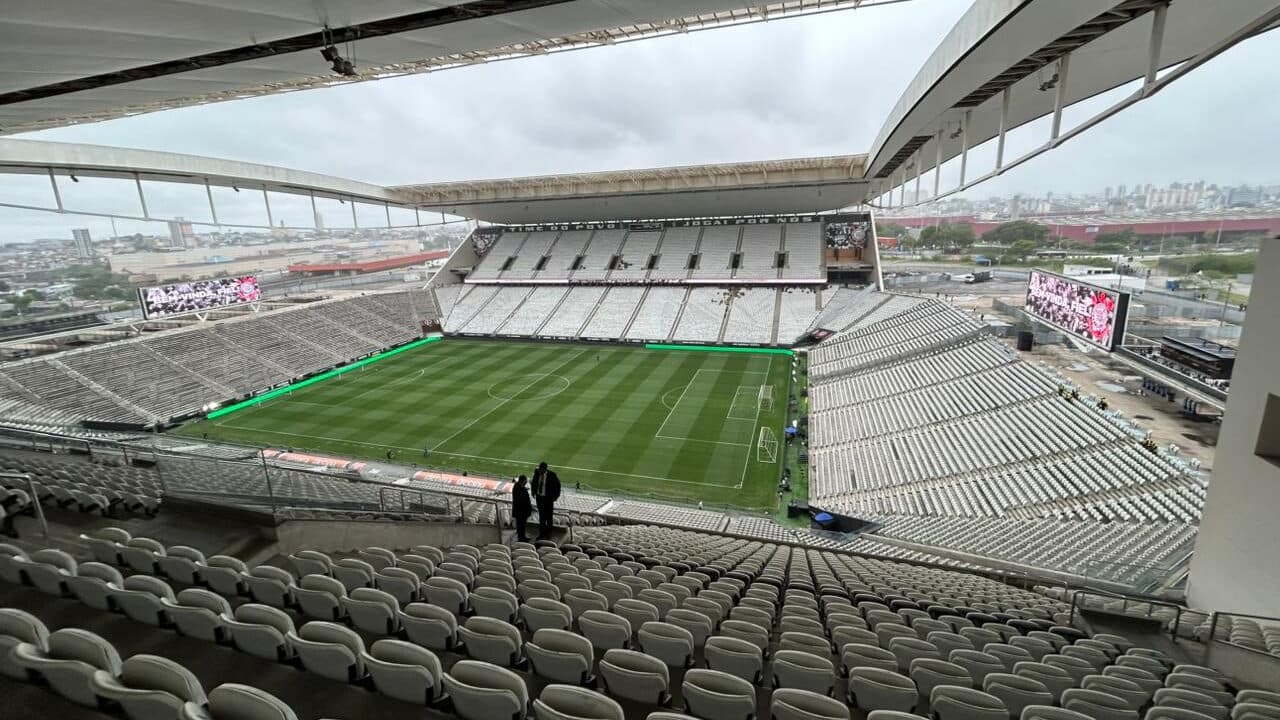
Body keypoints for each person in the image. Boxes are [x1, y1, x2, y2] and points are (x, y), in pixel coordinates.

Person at [530, 461, 561, 539]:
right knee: (542, 517)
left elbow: (558, 486)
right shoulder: (537, 473)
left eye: (541, 470)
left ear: (545, 469)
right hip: (539, 498)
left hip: (548, 499)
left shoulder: (552, 475)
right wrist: (533, 491)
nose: (540, 471)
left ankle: (548, 534)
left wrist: (556, 496)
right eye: (539, 469)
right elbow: (533, 482)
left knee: (549, 517)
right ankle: (541, 534)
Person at [511, 475, 532, 543]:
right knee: (521, 525)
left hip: (519, 510)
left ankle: (522, 537)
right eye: (525, 481)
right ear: (523, 481)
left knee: (520, 525)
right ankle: (522, 538)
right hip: (522, 511)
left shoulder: (517, 486)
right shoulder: (521, 489)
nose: (526, 482)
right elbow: (524, 501)